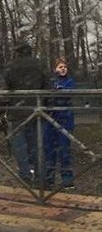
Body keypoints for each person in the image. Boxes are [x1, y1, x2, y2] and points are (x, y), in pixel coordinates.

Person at [2, 41, 50, 184]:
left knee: (20, 146)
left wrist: (1, 110)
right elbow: (47, 87)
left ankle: (25, 175)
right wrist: (47, 107)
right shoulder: (39, 65)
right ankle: (41, 176)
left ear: (17, 52)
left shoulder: (11, 67)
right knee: (38, 145)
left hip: (16, 112)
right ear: (30, 51)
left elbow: (5, 91)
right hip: (36, 110)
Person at [44, 58, 75, 190]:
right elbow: (48, 97)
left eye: (64, 67)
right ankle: (49, 179)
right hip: (51, 118)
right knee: (49, 150)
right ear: (54, 69)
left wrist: (57, 93)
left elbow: (66, 95)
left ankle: (67, 179)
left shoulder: (70, 81)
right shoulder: (50, 82)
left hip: (65, 118)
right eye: (60, 67)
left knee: (64, 150)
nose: (63, 69)